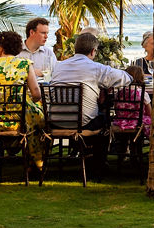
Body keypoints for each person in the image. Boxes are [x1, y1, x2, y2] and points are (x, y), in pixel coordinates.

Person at [49, 33, 141, 177]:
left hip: (55, 121)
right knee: (104, 120)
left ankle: (81, 154)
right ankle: (98, 165)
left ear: (75, 48)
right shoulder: (96, 68)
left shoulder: (59, 67)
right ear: (93, 51)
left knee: (97, 115)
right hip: (83, 123)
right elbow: (127, 78)